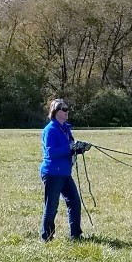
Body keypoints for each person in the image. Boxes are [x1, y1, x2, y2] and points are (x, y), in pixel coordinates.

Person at [40, 98, 91, 242]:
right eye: (64, 109)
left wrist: (80, 148)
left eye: (68, 109)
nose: (67, 112)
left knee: (74, 202)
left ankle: (76, 235)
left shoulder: (66, 129)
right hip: (52, 173)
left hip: (64, 173)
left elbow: (70, 148)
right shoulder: (50, 130)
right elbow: (51, 152)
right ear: (55, 112)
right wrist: (69, 147)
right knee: (52, 206)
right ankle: (47, 237)